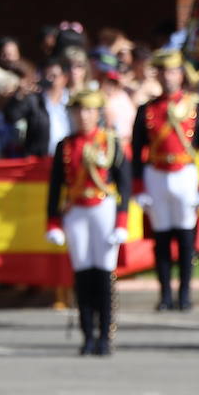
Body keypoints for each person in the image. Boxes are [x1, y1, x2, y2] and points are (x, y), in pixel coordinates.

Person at [44, 89, 131, 357]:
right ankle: (87, 335)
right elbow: (56, 187)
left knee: (104, 274)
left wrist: (121, 221)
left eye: (88, 111)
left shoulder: (111, 142)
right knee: (82, 276)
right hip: (76, 212)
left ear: (98, 114)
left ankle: (105, 335)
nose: (83, 116)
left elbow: (124, 183)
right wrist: (53, 222)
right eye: (77, 111)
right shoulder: (65, 146)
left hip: (103, 208)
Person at [130, 48, 199, 311]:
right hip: (156, 175)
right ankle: (165, 294)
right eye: (164, 72)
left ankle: (185, 293)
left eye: (174, 71)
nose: (169, 77)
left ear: (181, 74)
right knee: (162, 239)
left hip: (185, 175)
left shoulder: (195, 107)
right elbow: (137, 152)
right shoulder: (147, 110)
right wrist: (138, 187)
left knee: (187, 237)